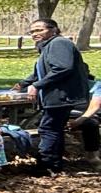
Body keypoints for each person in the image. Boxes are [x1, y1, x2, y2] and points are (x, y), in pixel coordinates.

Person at [18, 18, 90, 173]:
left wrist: (37, 85)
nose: (35, 34)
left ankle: (47, 166)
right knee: (54, 128)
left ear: (54, 30)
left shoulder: (59, 43)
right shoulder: (47, 46)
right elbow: (41, 71)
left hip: (61, 95)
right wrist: (22, 84)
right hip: (54, 96)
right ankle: (54, 164)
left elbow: (62, 68)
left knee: (48, 128)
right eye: (32, 31)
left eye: (39, 30)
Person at [67, 75, 100, 167]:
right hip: (64, 113)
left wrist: (78, 121)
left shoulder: (96, 86)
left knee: (91, 124)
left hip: (86, 114)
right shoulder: (61, 84)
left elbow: (94, 107)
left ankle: (92, 156)